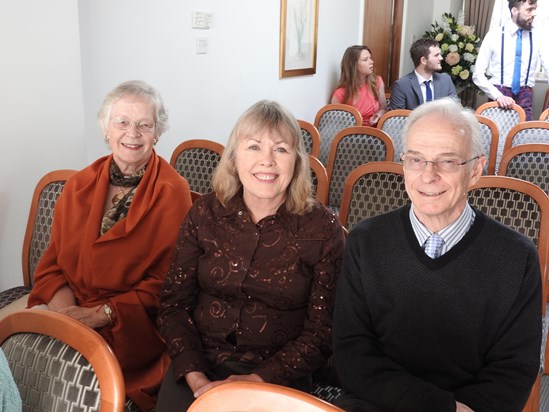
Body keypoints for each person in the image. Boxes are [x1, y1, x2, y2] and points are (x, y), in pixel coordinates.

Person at [332, 98, 542, 412]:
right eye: (416, 159)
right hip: (374, 404)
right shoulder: (365, 240)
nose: (428, 175)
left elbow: (514, 369)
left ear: (474, 170)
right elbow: (351, 353)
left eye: (446, 161)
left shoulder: (517, 257)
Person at [155, 100, 346, 411]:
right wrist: (196, 378)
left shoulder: (323, 228)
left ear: (296, 163)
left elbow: (322, 333)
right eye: (254, 147)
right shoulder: (204, 213)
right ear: (234, 158)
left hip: (278, 374)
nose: (267, 161)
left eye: (281, 150)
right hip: (198, 366)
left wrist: (256, 381)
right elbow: (173, 305)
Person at [27, 80, 193, 410]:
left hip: (133, 328)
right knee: (25, 370)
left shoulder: (173, 190)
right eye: (122, 122)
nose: (132, 133)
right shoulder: (79, 185)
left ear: (157, 132)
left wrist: (97, 317)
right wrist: (67, 317)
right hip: (72, 309)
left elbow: (166, 286)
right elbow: (52, 264)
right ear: (106, 129)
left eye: (144, 124)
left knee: (80, 390)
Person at [473, 0, 549, 120]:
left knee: (523, 137)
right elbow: (478, 74)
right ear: (514, 11)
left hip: (525, 96)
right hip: (498, 95)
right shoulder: (494, 35)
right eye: (529, 9)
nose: (534, 13)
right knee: (496, 136)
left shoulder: (538, 36)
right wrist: (498, 96)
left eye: (535, 9)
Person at [389, 38, 457, 110]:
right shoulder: (401, 85)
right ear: (423, 60)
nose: (441, 58)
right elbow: (397, 117)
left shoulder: (446, 80)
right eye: (436, 55)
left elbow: (455, 109)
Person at [331, 45, 387, 126]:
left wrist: (378, 115)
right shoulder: (340, 93)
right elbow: (335, 122)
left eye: (370, 58)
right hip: (352, 135)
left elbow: (383, 108)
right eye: (365, 59)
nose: (371, 62)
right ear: (353, 65)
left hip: (376, 132)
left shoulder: (377, 81)